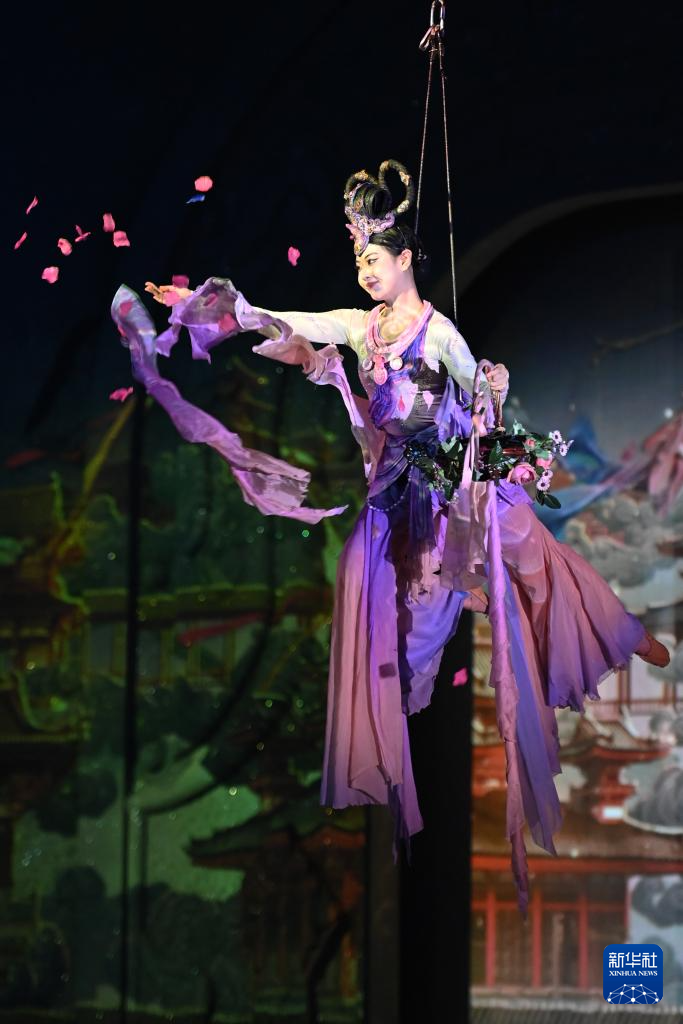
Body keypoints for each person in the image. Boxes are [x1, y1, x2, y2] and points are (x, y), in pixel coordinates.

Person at [114, 159, 669, 909]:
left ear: (406, 257)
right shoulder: (359, 327)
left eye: (374, 258)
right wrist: (220, 310)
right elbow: (291, 322)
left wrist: (490, 393)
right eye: (358, 261)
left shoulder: (438, 334)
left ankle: (621, 631)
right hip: (394, 493)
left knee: (532, 554)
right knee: (365, 581)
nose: (365, 271)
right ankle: (392, 709)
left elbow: (479, 399)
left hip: (454, 475)